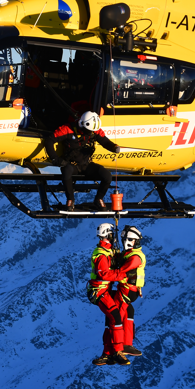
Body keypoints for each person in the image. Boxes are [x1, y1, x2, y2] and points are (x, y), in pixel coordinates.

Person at [50, 111, 121, 210]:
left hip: (86, 165)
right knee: (66, 171)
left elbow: (104, 141)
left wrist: (113, 147)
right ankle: (70, 200)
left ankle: (98, 199)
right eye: (89, 131)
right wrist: (55, 159)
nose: (91, 133)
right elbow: (50, 140)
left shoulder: (93, 130)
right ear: (82, 124)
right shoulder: (67, 129)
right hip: (72, 165)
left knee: (107, 176)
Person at [89, 222, 130, 366]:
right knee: (116, 317)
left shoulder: (107, 251)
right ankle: (117, 351)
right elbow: (104, 274)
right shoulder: (101, 254)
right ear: (109, 235)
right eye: (112, 234)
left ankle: (107, 353)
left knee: (111, 322)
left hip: (104, 290)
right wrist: (121, 275)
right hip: (100, 291)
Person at [114, 225, 146, 357]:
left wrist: (105, 274)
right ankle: (127, 343)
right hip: (131, 291)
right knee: (128, 313)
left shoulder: (134, 257)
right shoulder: (130, 254)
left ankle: (117, 345)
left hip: (126, 290)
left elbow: (121, 271)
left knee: (117, 316)